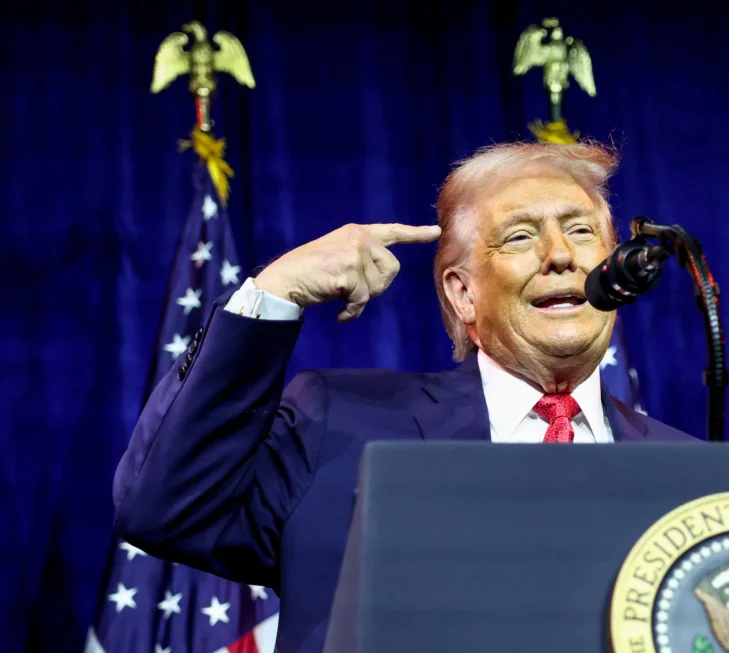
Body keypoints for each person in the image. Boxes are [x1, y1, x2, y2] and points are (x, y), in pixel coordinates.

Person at [111, 141, 699, 653]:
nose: (560, 255)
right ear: (462, 294)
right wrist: (274, 291)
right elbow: (163, 507)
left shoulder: (689, 474)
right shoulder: (338, 427)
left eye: (580, 230)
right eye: (521, 236)